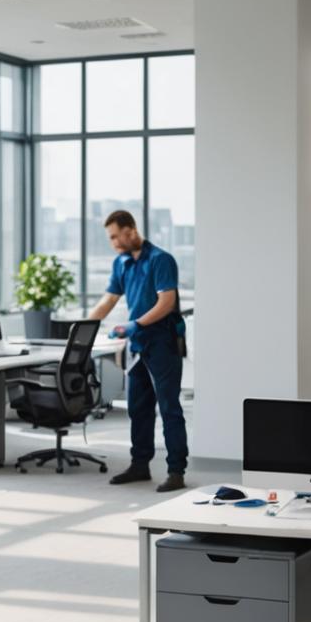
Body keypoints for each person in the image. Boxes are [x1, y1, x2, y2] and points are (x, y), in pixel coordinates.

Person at [87, 209, 188, 491]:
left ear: (131, 230)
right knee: (138, 408)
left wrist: (134, 325)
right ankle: (140, 465)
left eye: (116, 237)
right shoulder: (121, 263)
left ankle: (176, 471)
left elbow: (166, 302)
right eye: (111, 238)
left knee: (169, 408)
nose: (114, 243)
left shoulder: (160, 260)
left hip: (162, 343)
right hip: (138, 345)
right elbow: (109, 299)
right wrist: (82, 327)